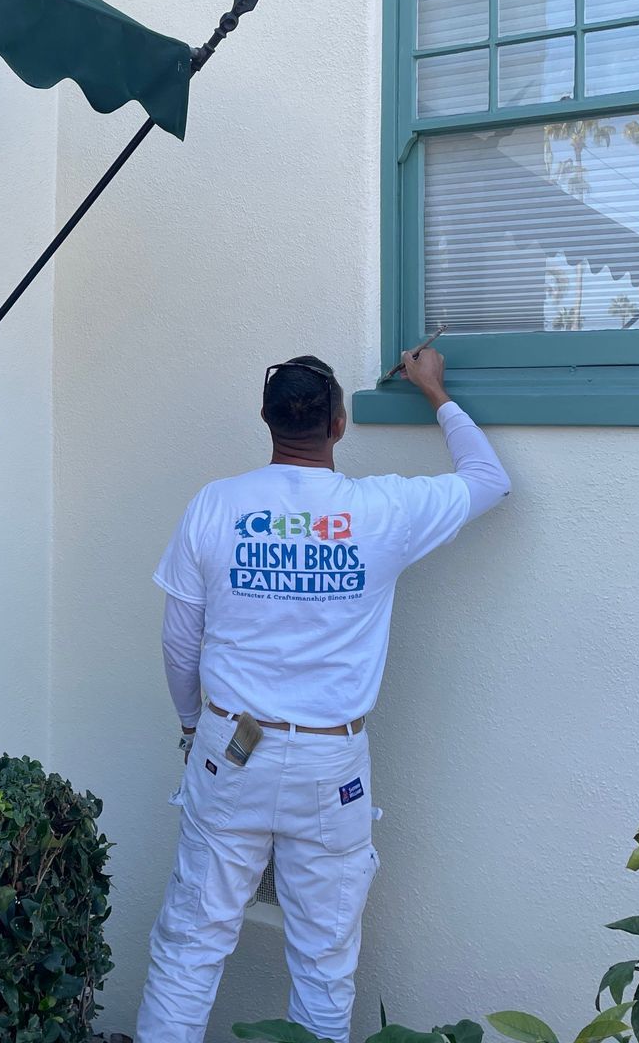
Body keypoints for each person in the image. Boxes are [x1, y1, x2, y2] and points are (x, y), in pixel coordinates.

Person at [135, 346, 509, 1043]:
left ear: (266, 421)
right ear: (338, 423)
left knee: (191, 945)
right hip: (330, 767)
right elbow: (489, 480)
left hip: (227, 749)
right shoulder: (381, 510)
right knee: (323, 963)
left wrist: (193, 726)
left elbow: (179, 643)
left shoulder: (216, 505)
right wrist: (433, 390)